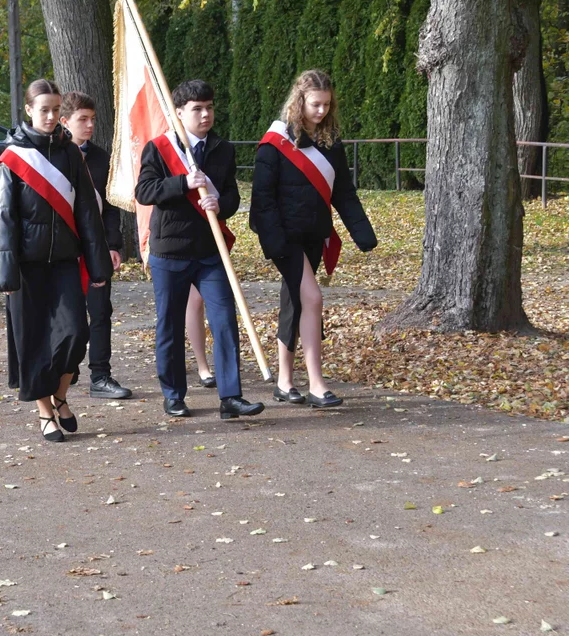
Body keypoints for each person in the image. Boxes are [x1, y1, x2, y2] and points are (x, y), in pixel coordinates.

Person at [134, 79, 263, 420]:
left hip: (210, 251)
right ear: (179, 113)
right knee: (170, 326)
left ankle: (230, 397)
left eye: (209, 107)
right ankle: (174, 395)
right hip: (170, 252)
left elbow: (233, 195)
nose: (205, 115)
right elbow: (145, 192)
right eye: (197, 109)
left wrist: (220, 202)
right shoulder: (159, 148)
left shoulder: (223, 149)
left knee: (224, 322)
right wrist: (183, 183)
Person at [0, 79, 112, 442]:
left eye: (55, 110)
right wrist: (5, 274)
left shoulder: (69, 153)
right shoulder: (12, 157)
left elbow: (88, 214)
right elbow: (3, 218)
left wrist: (98, 265)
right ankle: (45, 412)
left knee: (76, 333)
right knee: (34, 343)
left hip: (63, 262)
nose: (50, 116)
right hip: (27, 267)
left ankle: (61, 395)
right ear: (28, 110)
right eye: (43, 109)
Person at [251, 69, 377, 408]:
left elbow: (344, 192)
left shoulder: (331, 142)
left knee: (295, 303)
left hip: (313, 235)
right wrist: (273, 242)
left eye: (326, 105)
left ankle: (284, 382)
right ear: (300, 101)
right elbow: (262, 199)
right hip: (284, 239)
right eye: (315, 104)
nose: (321, 111)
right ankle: (318, 384)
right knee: (313, 298)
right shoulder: (275, 143)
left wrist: (362, 233)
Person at [59, 92, 131, 400]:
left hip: (97, 248)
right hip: (63, 250)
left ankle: (101, 375)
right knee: (68, 315)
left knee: (100, 312)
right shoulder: (54, 157)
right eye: (82, 120)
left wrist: (114, 244)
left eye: (92, 119)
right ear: (65, 122)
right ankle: (66, 367)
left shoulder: (102, 158)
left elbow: (111, 206)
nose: (90, 126)